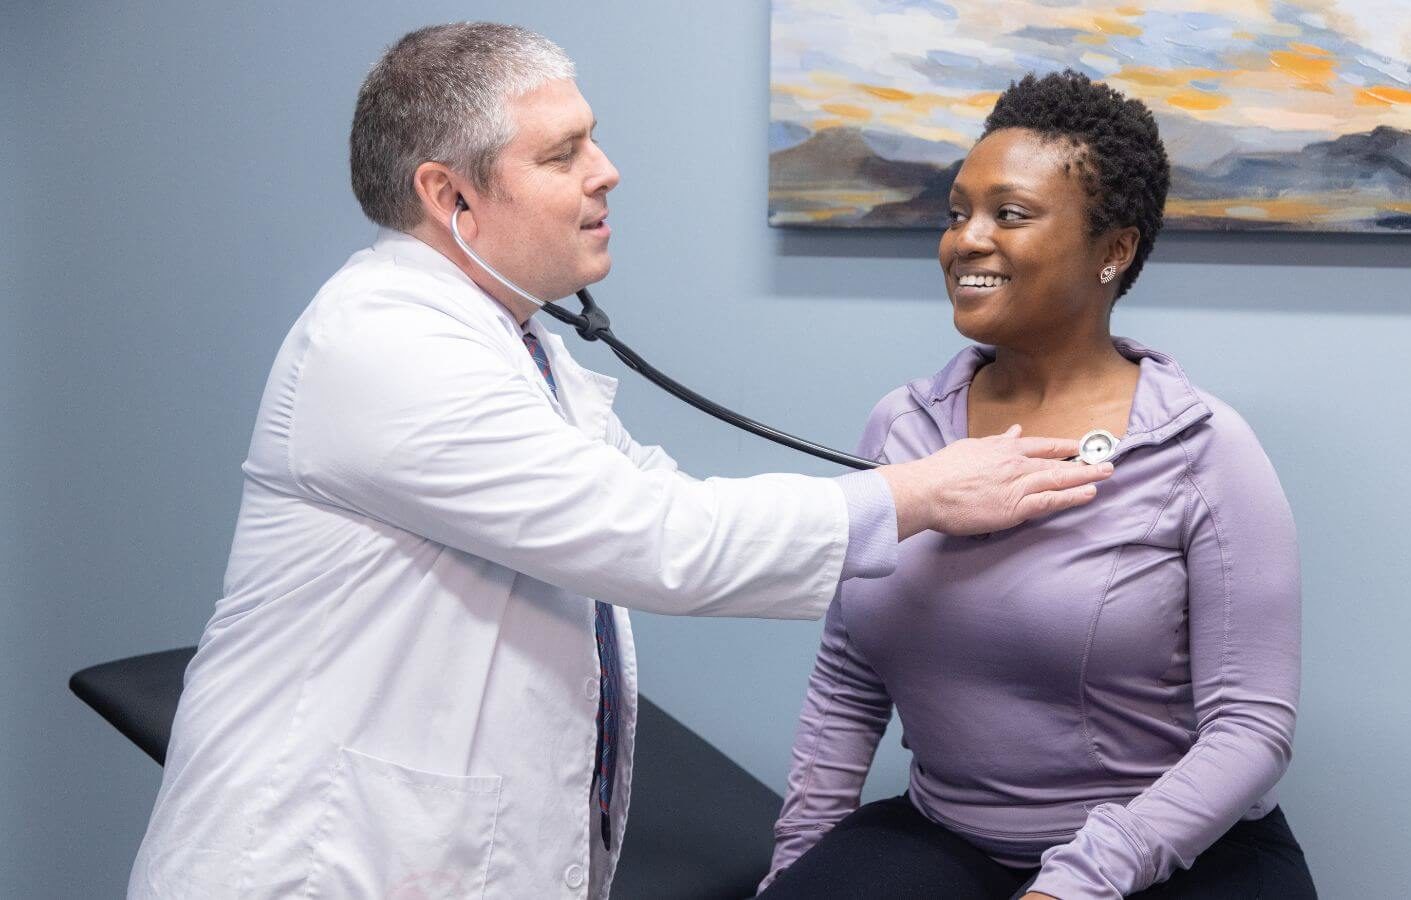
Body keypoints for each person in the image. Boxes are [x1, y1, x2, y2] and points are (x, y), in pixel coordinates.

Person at [126, 25, 1114, 900]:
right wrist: (921, 492)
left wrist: (909, 504)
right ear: (449, 193)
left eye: (591, 138)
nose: (606, 170)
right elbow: (656, 542)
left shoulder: (513, 342)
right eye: (562, 154)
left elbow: (655, 500)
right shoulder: (382, 348)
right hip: (318, 859)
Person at [759, 71, 1316, 899]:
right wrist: (795, 866)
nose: (965, 240)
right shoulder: (903, 429)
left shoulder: (1204, 450)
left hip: (1169, 853)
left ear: (1114, 251)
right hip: (948, 836)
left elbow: (1252, 728)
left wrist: (1074, 886)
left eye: (1008, 215)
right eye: (957, 213)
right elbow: (849, 677)